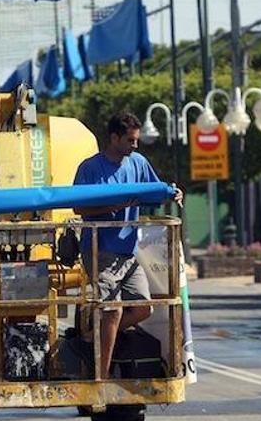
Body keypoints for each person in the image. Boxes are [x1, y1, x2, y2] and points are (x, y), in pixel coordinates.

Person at [73, 113, 183, 378]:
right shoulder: (90, 168)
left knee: (144, 307)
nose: (135, 145)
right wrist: (119, 204)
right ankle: (101, 374)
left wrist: (173, 192)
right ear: (114, 138)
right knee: (112, 312)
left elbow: (155, 190)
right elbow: (79, 207)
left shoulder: (138, 163)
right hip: (100, 250)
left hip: (127, 253)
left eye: (136, 140)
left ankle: (92, 335)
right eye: (130, 140)